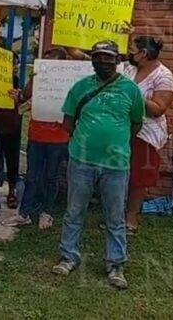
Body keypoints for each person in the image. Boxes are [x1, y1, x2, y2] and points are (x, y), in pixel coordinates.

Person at [52, 40, 145, 290]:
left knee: (115, 216)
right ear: (92, 60)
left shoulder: (131, 90)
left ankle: (116, 264)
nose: (103, 61)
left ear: (117, 61)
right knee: (74, 211)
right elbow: (68, 122)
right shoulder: (80, 87)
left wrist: (114, 140)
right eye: (98, 57)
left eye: (108, 57)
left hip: (116, 164)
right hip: (81, 161)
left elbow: (136, 123)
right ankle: (68, 256)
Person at [4, 48, 71, 230]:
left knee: (51, 176)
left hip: (58, 138)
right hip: (36, 136)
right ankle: (24, 213)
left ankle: (46, 212)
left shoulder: (68, 83)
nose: (47, 65)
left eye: (52, 63)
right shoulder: (38, 80)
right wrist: (35, 77)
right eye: (45, 61)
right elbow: (25, 96)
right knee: (32, 175)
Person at [124, 36, 173, 232]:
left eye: (132, 49)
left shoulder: (164, 76)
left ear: (143, 53)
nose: (129, 53)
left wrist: (134, 95)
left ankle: (131, 217)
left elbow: (158, 109)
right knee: (120, 173)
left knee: (138, 177)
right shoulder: (129, 69)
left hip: (146, 133)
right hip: (123, 129)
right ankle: (116, 213)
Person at [0, 82, 23, 208]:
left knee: (12, 162)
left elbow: (25, 106)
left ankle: (12, 193)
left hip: (13, 130)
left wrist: (18, 100)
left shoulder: (18, 84)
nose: (14, 67)